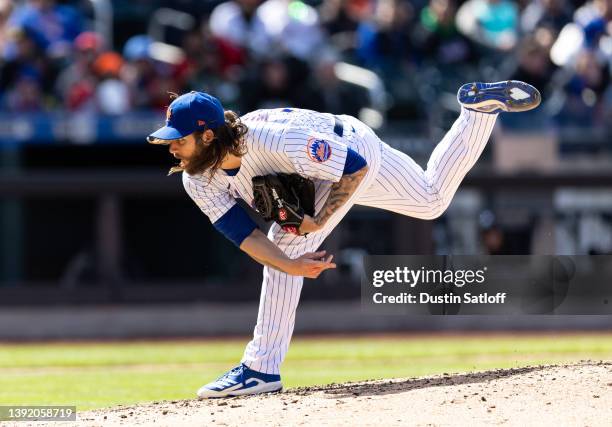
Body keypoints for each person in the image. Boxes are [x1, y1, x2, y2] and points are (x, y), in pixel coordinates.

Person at [147, 80, 541, 398]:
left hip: (350, 148)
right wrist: (291, 266)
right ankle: (476, 113)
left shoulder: (273, 142)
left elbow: (353, 167)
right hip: (328, 161)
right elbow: (242, 233)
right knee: (431, 199)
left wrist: (318, 221)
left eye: (179, 139)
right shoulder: (196, 177)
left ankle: (260, 368)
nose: (172, 147)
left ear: (209, 135)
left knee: (286, 238)